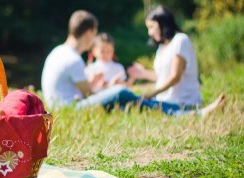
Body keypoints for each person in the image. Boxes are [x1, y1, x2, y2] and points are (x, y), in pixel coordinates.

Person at [41, 8, 224, 116]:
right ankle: (192, 114)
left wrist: (102, 86)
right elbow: (89, 95)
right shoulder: (73, 59)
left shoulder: (58, 52)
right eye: (95, 34)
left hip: (62, 108)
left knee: (125, 97)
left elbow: (87, 91)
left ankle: (187, 112)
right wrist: (110, 87)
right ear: (89, 32)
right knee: (120, 92)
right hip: (69, 109)